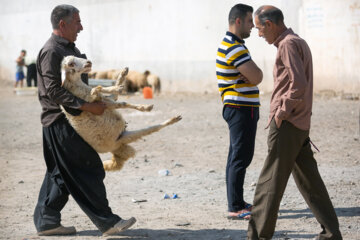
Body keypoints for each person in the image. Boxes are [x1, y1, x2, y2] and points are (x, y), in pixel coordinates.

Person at [33, 4, 136, 236]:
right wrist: (87, 106)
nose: (81, 27)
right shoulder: (52, 51)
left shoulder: (69, 48)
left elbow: (79, 86)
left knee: (59, 173)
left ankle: (47, 221)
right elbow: (53, 90)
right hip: (61, 122)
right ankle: (107, 221)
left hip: (72, 121)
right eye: (77, 22)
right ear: (63, 24)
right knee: (87, 168)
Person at [247, 5, 342, 240]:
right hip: (300, 124)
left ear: (269, 24)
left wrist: (281, 113)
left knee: (269, 182)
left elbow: (297, 84)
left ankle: (257, 236)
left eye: (259, 29)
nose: (259, 34)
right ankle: (331, 234)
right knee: (311, 183)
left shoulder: (288, 44)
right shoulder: (297, 41)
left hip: (288, 125)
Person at [216, 4, 263, 220]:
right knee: (240, 157)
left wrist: (252, 75)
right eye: (248, 21)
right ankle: (235, 207)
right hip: (240, 107)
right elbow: (257, 77)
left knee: (237, 156)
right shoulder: (234, 47)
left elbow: (253, 76)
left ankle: (237, 201)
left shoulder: (234, 45)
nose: (253, 26)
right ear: (237, 21)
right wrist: (253, 75)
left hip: (240, 107)